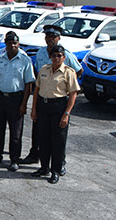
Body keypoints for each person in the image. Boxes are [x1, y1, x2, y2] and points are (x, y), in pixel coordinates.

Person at [20, 24, 83, 168]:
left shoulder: (65, 53)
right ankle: (35, 155)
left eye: (53, 37)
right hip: (43, 99)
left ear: (59, 38)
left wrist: (66, 88)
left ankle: (59, 163)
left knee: (58, 136)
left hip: (58, 101)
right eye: (48, 36)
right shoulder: (41, 53)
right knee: (39, 131)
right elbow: (38, 75)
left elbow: (79, 70)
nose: (50, 39)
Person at [0, 31, 35, 172]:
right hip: (0, 97)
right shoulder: (0, 59)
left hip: (16, 99)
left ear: (18, 44)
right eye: (9, 43)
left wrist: (24, 104)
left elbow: (28, 84)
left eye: (15, 43)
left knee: (15, 133)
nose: (12, 45)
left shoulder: (25, 60)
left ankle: (14, 160)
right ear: (5, 44)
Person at [30, 45, 80, 184]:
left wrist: (66, 114)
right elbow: (37, 90)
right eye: (54, 56)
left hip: (58, 107)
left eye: (59, 55)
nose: (56, 58)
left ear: (64, 57)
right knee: (43, 139)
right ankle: (44, 167)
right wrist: (34, 109)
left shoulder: (68, 72)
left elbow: (73, 94)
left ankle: (55, 170)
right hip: (43, 106)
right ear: (50, 57)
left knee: (58, 141)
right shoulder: (44, 70)